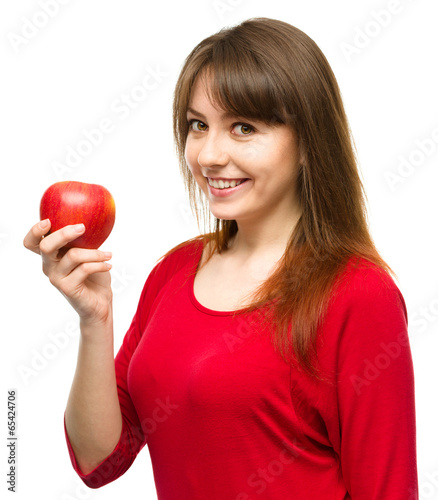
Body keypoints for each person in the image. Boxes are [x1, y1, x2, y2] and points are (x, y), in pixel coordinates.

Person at [23, 17, 418, 500]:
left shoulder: (358, 293)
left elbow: (388, 490)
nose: (209, 154)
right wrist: (94, 319)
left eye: (243, 128)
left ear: (308, 143)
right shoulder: (174, 271)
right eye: (198, 125)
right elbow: (98, 460)